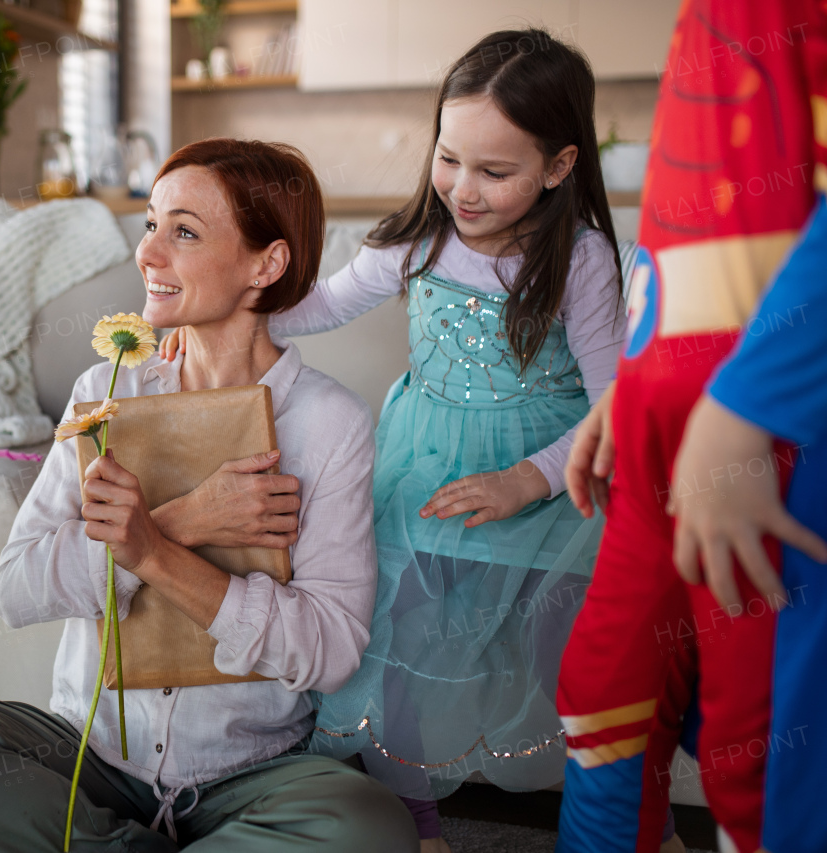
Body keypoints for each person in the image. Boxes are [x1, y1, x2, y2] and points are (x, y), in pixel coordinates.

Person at [0, 138, 419, 852]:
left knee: (368, 827)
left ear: (266, 265)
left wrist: (159, 555)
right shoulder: (104, 391)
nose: (147, 254)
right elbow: (18, 588)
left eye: (185, 232)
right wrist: (183, 522)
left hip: (253, 773)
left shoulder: (330, 422)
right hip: (90, 761)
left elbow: (328, 652)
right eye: (150, 224)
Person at [165, 28, 633, 851]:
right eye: (448, 159)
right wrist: (223, 302)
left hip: (544, 478)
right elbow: (319, 307)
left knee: (570, 647)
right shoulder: (417, 238)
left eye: (496, 171)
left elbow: (614, 407)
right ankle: (415, 819)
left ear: (560, 166)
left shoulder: (582, 258)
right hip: (425, 467)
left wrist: (527, 479)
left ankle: (613, 818)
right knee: (399, 637)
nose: (463, 189)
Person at [557, 1, 827, 851]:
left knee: (758, 750)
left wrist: (754, 398)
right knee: (601, 686)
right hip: (661, 427)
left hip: (765, 428)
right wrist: (634, 380)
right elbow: (710, 224)